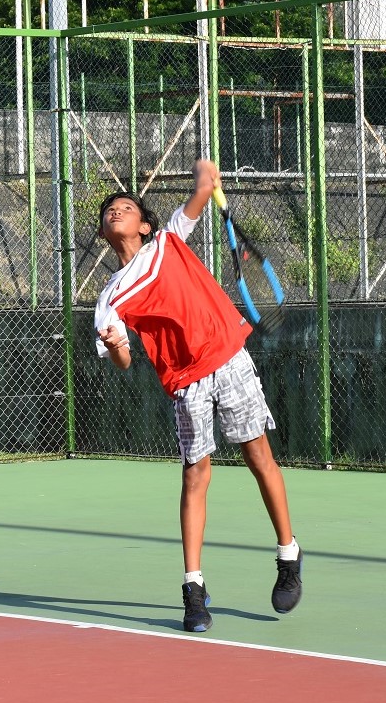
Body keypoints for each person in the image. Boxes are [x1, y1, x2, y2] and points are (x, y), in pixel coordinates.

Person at [94, 159, 302, 633]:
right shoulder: (110, 298)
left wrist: (205, 172)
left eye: (126, 207)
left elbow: (203, 188)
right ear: (106, 233)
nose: (116, 211)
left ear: (144, 225)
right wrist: (117, 347)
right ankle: (193, 588)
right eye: (109, 211)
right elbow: (124, 364)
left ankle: (288, 554)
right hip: (185, 381)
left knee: (258, 456)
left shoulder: (169, 240)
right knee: (195, 475)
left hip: (228, 357)